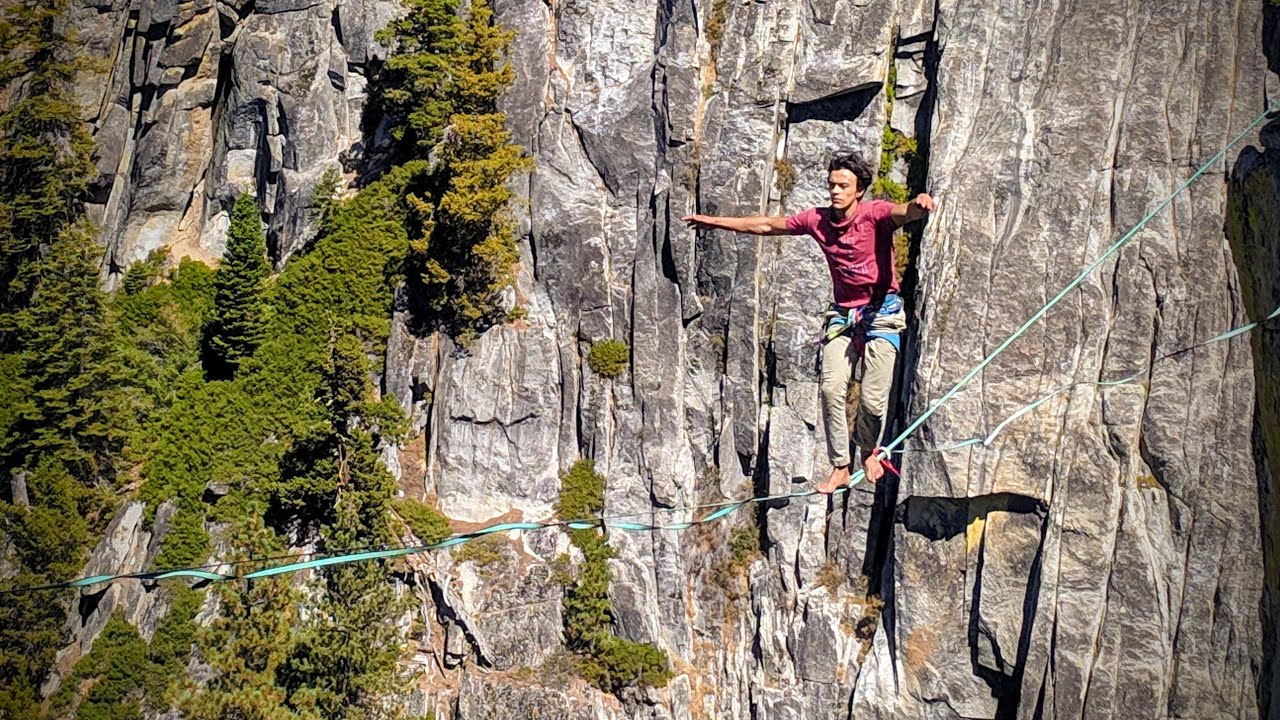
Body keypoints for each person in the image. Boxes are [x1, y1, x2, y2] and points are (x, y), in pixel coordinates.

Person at [683, 153, 935, 493]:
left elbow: (903, 212)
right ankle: (840, 466)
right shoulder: (818, 220)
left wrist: (919, 205)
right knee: (832, 387)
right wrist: (716, 223)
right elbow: (766, 225)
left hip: (883, 315)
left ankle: (868, 451)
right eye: (832, 184)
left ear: (859, 190)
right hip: (844, 316)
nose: (835, 191)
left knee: (874, 404)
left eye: (843, 186)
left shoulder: (873, 214)